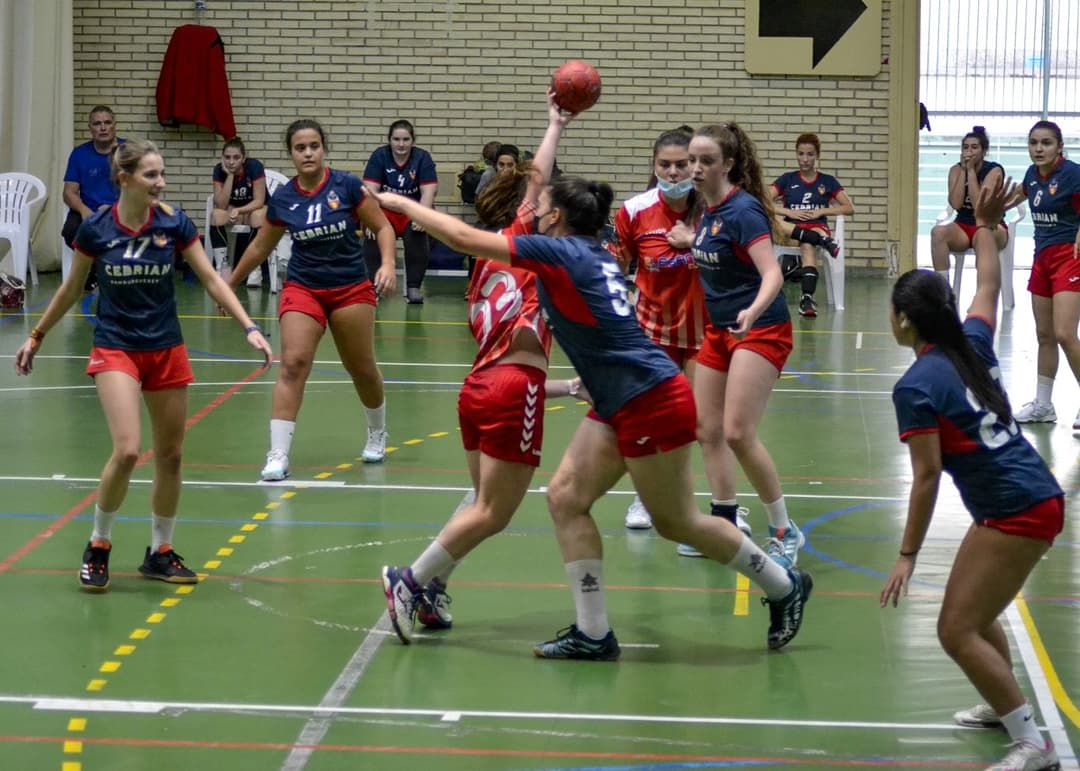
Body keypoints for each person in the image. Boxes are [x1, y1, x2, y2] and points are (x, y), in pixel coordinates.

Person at [375, 175, 813, 659]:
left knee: (678, 522)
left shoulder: (561, 253)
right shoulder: (592, 253)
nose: (534, 209)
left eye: (541, 204)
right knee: (565, 498)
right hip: (617, 399)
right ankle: (593, 632)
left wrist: (400, 204)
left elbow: (461, 237)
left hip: (648, 397)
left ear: (556, 216)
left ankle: (782, 585)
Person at [14, 140, 273, 592]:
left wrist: (250, 326)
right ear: (126, 179)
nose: (161, 183)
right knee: (130, 448)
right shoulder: (96, 228)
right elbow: (72, 289)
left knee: (171, 456)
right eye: (152, 175)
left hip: (166, 348)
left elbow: (212, 278)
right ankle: (98, 544)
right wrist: (37, 335)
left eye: (162, 174)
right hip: (116, 347)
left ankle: (160, 551)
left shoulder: (173, 224)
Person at [379, 91, 586, 644]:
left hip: (479, 388)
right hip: (511, 390)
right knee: (496, 513)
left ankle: (429, 591)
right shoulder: (536, 246)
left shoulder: (489, 262)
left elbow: (534, 181)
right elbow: (537, 181)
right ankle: (410, 579)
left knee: (478, 507)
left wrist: (568, 386)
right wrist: (554, 125)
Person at [881, 176, 1063, 771]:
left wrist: (907, 553)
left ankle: (1032, 744)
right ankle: (1000, 701)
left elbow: (928, 477)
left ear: (905, 323)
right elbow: (988, 280)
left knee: (955, 630)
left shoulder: (916, 385)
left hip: (1019, 509)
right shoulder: (972, 343)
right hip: (1029, 496)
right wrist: (986, 227)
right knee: (975, 615)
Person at [228, 119, 398, 480]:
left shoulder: (347, 186)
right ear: (291, 153)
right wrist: (229, 284)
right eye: (300, 148)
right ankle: (278, 454)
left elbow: (383, 226)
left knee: (361, 368)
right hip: (303, 287)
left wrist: (386, 264)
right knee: (292, 363)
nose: (308, 153)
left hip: (350, 287)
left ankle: (377, 431)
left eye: (314, 146)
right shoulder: (285, 198)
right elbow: (261, 245)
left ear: (324, 148)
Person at [685, 124, 805, 566]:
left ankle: (784, 529)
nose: (696, 169)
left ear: (729, 164)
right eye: (693, 160)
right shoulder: (706, 208)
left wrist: (752, 311)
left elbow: (771, 272)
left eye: (706, 161)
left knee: (737, 432)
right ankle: (725, 522)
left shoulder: (744, 210)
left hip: (760, 328)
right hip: (719, 331)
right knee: (707, 430)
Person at [606, 127, 722, 535]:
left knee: (703, 423)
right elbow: (614, 268)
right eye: (664, 165)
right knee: (651, 419)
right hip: (652, 333)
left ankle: (719, 506)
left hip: (705, 334)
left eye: (682, 164)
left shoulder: (715, 209)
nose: (673, 173)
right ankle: (647, 497)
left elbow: (736, 266)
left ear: (695, 165)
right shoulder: (634, 210)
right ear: (653, 167)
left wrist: (695, 243)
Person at [1006, 120, 1080, 428]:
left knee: (1064, 333)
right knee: (1044, 335)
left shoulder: (1073, 174)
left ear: (1059, 146)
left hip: (1069, 257)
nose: (1039, 148)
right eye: (1034, 142)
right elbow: (1020, 195)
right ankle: (1043, 405)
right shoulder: (1031, 176)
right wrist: (994, 206)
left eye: (1046, 142)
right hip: (1042, 258)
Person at [771, 133, 855, 317]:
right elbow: (762, 200)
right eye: (801, 154)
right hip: (791, 231)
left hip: (816, 226)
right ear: (796, 154)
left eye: (810, 154)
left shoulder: (827, 181)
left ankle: (806, 297)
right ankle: (807, 296)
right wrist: (788, 212)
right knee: (777, 222)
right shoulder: (787, 179)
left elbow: (849, 208)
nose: (805, 159)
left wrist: (822, 211)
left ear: (817, 155)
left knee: (808, 244)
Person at [362, 120, 438, 304]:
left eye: (406, 139)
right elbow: (370, 190)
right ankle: (373, 286)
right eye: (396, 139)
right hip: (384, 209)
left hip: (412, 209)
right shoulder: (379, 156)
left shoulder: (422, 158)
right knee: (372, 236)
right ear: (389, 140)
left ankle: (413, 287)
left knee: (418, 233)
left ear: (413, 140)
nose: (401, 144)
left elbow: (429, 191)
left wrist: (422, 215)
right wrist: (371, 219)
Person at [929, 126, 1008, 288]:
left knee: (982, 235)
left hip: (991, 225)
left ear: (984, 150)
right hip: (963, 225)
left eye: (974, 147)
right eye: (965, 147)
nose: (969, 151)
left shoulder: (994, 170)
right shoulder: (955, 170)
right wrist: (963, 171)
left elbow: (980, 206)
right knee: (937, 233)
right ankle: (943, 290)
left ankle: (983, 293)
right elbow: (956, 204)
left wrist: (971, 171)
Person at [62, 105, 125, 291]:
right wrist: (84, 211)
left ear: (114, 126)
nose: (103, 128)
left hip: (121, 209)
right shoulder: (79, 154)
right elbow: (68, 192)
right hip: (88, 210)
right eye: (97, 124)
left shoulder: (128, 151)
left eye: (107, 123)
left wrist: (115, 209)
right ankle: (99, 268)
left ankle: (99, 270)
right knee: (70, 231)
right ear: (90, 128)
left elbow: (140, 187)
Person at [209, 137, 268, 287]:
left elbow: (259, 201)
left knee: (257, 217)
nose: (231, 161)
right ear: (222, 158)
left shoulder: (254, 166)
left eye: (236, 157)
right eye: (227, 157)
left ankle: (254, 268)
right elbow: (221, 204)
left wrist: (239, 210)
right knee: (216, 215)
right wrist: (229, 175)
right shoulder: (219, 170)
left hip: (254, 208)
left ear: (243, 158)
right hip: (233, 209)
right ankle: (221, 268)